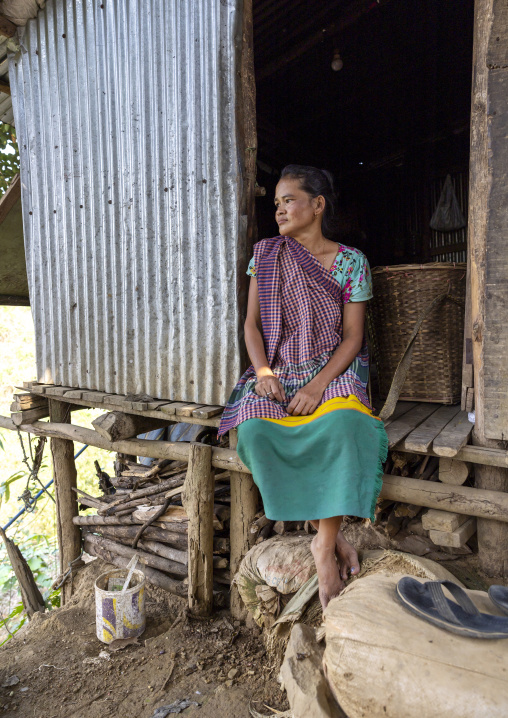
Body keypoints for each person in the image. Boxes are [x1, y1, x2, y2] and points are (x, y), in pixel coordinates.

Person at [218, 165, 388, 609]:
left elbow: (353, 338)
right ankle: (324, 528)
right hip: (278, 372)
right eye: (275, 203)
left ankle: (323, 545)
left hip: (332, 371)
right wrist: (263, 373)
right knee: (254, 432)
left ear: (317, 205)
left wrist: (316, 386)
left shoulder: (352, 262)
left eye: (288, 200)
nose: (279, 210)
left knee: (346, 427)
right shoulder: (268, 255)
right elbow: (251, 325)